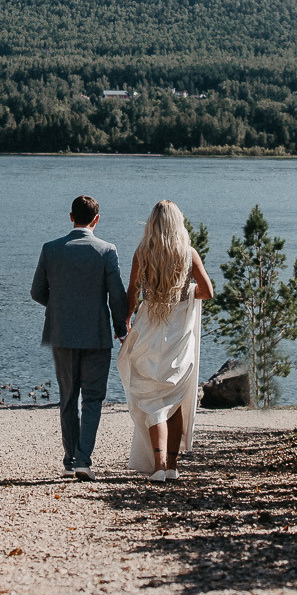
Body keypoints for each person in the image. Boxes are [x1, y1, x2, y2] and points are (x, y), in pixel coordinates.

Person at [30, 194, 129, 480]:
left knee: (68, 397)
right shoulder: (107, 250)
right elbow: (116, 295)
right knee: (94, 397)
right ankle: (84, 460)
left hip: (61, 333)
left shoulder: (51, 249)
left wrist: (61, 306)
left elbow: (37, 292)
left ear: (71, 217)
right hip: (97, 335)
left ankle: (70, 460)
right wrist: (121, 329)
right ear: (96, 220)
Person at [118, 199, 214, 483]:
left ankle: (159, 465)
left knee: (153, 402)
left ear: (152, 223)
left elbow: (132, 292)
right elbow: (207, 291)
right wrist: (185, 294)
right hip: (178, 335)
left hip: (149, 331)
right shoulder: (188, 254)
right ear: (178, 222)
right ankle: (172, 466)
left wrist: (125, 321)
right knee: (174, 399)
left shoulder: (143, 252)